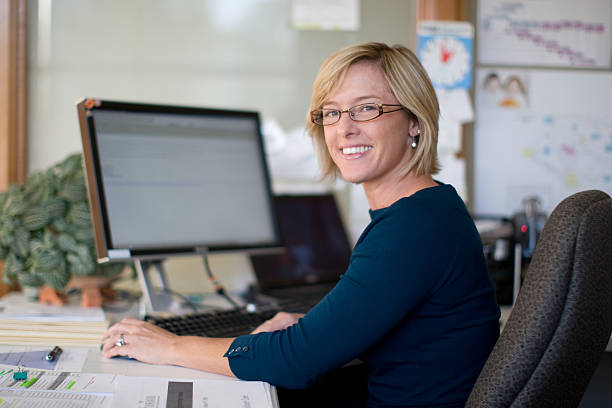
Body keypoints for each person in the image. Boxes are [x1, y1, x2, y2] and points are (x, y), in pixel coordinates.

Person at [102, 42, 501, 408]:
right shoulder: (431, 209)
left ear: (414, 121)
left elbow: (297, 360)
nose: (344, 128)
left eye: (366, 108)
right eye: (331, 112)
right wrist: (312, 326)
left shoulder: (414, 227)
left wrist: (170, 346)